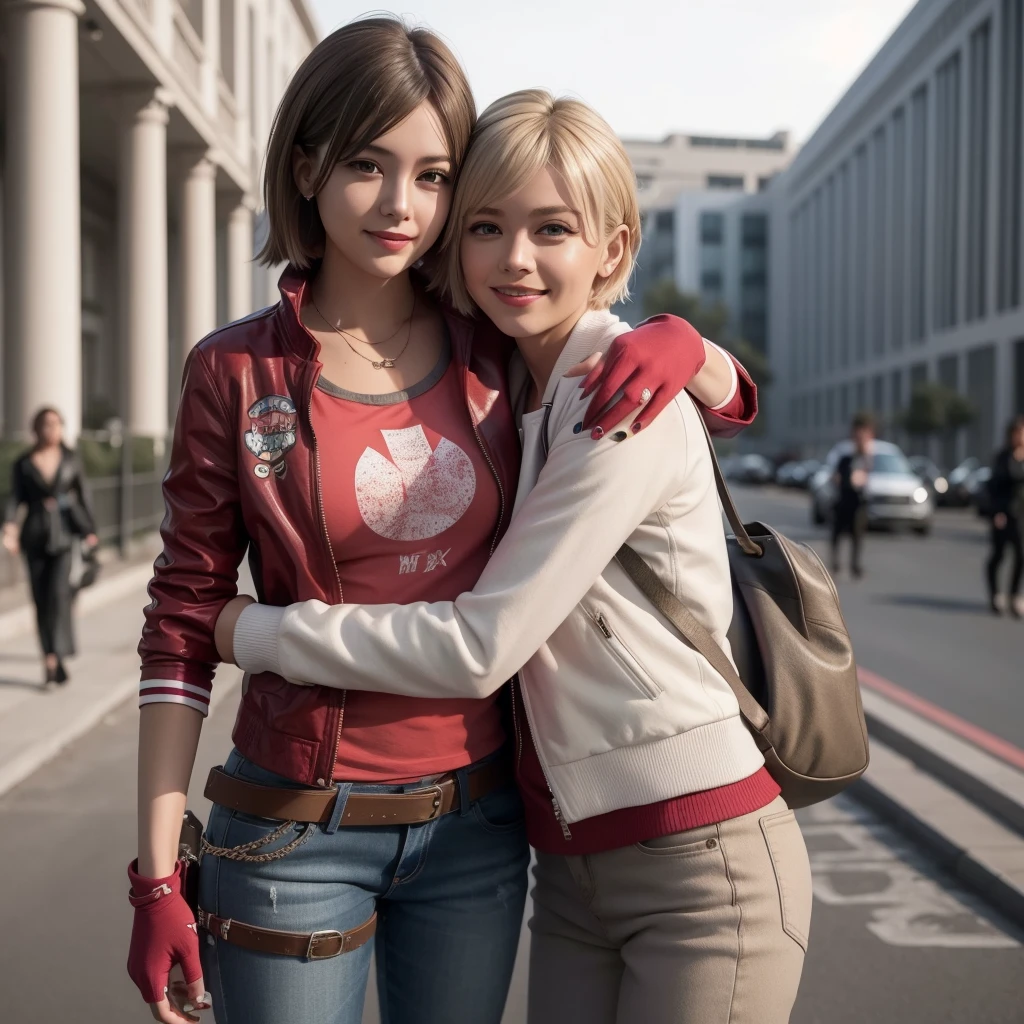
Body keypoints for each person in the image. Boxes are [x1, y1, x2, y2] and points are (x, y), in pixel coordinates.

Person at [127, 19, 760, 1024]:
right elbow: (180, 623)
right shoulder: (235, 371)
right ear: (305, 166)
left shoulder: (490, 344)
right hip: (292, 823)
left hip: (477, 826)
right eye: (368, 165)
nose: (399, 205)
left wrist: (689, 347)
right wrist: (157, 875)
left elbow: (676, 395)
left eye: (431, 175)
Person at [2, 407, 98, 686]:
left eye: (56, 424)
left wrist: (91, 531)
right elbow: (15, 498)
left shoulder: (71, 459)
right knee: (40, 601)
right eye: (46, 425)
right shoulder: (24, 462)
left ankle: (57, 654)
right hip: (34, 537)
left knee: (58, 596)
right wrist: (9, 527)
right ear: (36, 429)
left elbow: (84, 495)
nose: (51, 430)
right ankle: (50, 659)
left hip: (65, 537)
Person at [986, 415, 1024, 617]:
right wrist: (997, 512)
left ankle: (1015, 595)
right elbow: (994, 487)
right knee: (999, 555)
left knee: (1021, 556)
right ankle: (995, 594)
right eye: (1017, 433)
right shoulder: (1003, 457)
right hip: (1004, 514)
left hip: (1021, 516)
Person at [831, 412, 875, 578]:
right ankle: (835, 563)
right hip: (844, 499)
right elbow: (835, 476)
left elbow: (868, 477)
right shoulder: (844, 457)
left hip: (859, 502)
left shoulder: (867, 457)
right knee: (837, 533)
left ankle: (855, 565)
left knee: (857, 536)